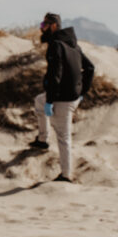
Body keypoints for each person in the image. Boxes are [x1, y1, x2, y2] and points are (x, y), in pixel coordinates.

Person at [28, 13, 95, 183]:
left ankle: (66, 175)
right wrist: (81, 93)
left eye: (44, 24)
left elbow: (55, 75)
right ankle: (42, 139)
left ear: (54, 26)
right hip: (71, 97)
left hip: (62, 99)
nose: (41, 28)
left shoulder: (56, 45)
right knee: (38, 101)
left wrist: (50, 100)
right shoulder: (74, 46)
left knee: (63, 138)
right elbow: (90, 69)